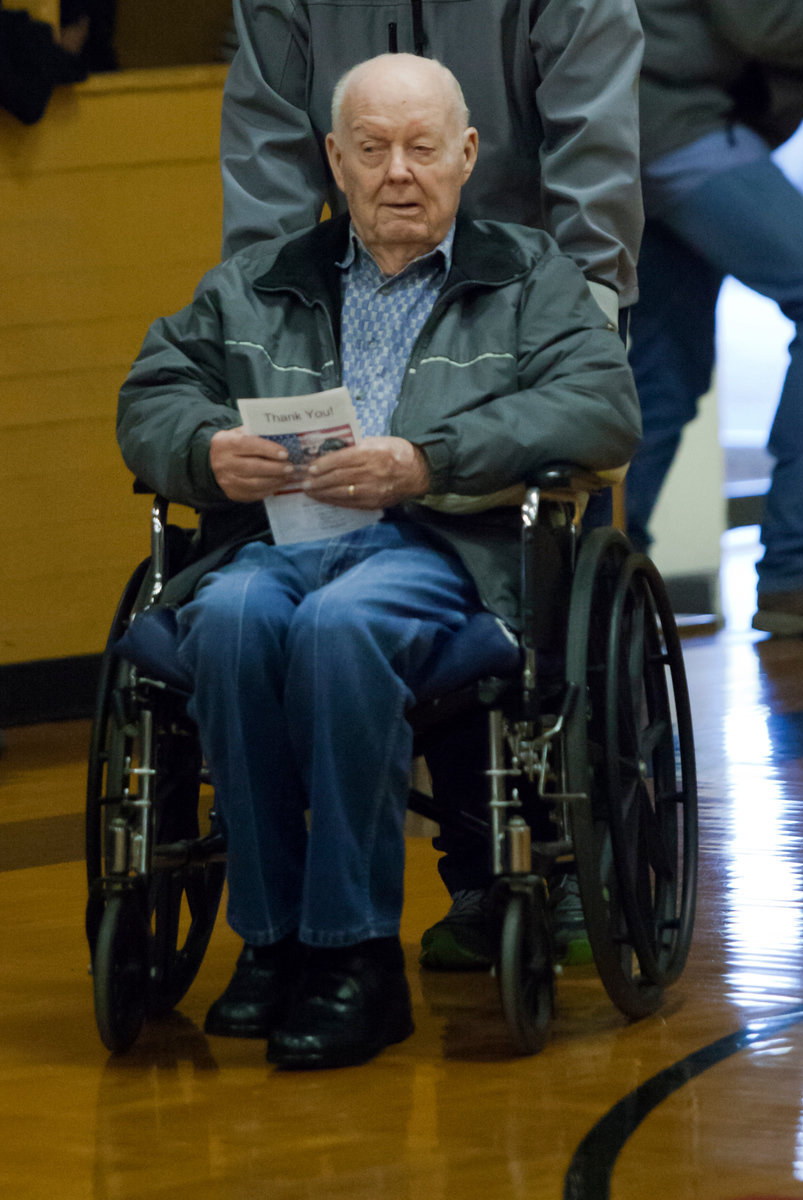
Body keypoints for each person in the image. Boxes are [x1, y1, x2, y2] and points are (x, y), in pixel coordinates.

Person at [117, 53, 640, 1069]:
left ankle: (354, 956)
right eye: (371, 149)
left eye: (420, 148)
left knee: (339, 626)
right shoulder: (260, 282)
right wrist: (203, 450)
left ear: (465, 156)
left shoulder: (528, 276)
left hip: (438, 547)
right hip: (278, 540)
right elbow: (154, 392)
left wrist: (424, 461)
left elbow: (599, 405)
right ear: (334, 162)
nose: (397, 172)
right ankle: (268, 947)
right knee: (225, 620)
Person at [217, 0, 645, 969]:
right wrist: (258, 324)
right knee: (321, 591)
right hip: (363, 281)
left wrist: (573, 336)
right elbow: (266, 156)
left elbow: (591, 146)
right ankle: (360, 907)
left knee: (513, 570)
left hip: (519, 292)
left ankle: (538, 859)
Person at [626, 1, 803, 638]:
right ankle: (800, 564)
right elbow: (765, 23)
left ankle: (602, 598)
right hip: (674, 122)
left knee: (663, 378)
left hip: (651, 124)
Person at [219, 0, 644, 331]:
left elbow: (592, 133)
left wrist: (592, 297)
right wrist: (260, 310)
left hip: (527, 288)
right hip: (358, 282)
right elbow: (268, 146)